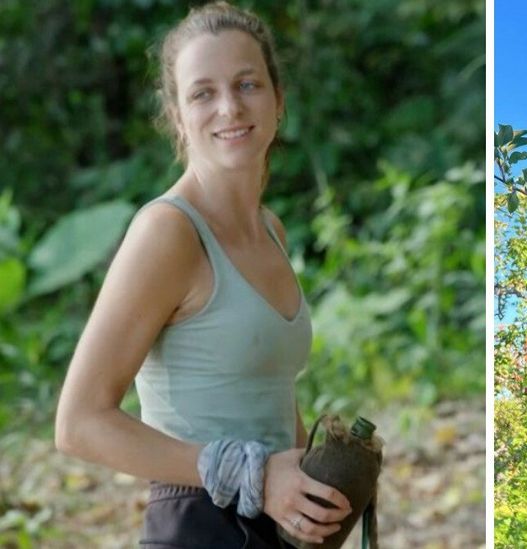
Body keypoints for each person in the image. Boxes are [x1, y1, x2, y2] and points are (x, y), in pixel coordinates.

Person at [54, 3, 351, 547]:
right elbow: (79, 423)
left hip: (274, 529)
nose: (229, 107)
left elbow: (269, 393)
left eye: (247, 84)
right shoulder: (168, 232)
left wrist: (318, 491)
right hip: (198, 526)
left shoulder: (271, 230)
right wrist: (253, 474)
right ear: (177, 116)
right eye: (203, 93)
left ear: (278, 99)